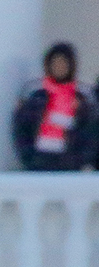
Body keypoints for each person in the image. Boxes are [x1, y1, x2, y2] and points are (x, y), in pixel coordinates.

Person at [10, 42, 98, 172]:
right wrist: (30, 159)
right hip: (37, 167)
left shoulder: (84, 96)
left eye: (63, 63)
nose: (59, 67)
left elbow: (91, 133)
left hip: (71, 170)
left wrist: (77, 161)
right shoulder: (35, 94)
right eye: (55, 62)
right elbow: (22, 130)